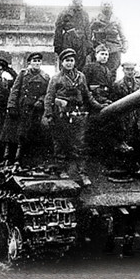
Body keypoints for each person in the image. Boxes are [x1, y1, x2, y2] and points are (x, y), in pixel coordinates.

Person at [43, 48, 101, 184]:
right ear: (62, 63)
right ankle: (62, 170)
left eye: (71, 61)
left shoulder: (81, 76)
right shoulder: (56, 78)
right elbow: (49, 97)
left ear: (74, 62)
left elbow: (87, 95)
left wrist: (99, 105)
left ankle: (82, 173)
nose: (69, 63)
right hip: (62, 114)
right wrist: (49, 114)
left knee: (80, 144)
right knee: (61, 144)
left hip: (78, 114)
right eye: (66, 61)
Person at [0, 52, 50, 165]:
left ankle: (22, 160)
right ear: (30, 62)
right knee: (11, 133)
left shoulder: (45, 77)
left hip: (34, 110)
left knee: (27, 135)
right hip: (20, 107)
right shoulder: (23, 74)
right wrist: (11, 105)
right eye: (34, 61)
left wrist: (41, 101)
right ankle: (8, 158)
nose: (37, 63)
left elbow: (47, 92)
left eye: (38, 61)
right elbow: (15, 90)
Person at [54, 0, 93, 71]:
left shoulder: (84, 14)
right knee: (67, 62)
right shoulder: (64, 12)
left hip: (81, 43)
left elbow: (88, 31)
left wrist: (89, 44)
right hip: (68, 41)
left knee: (81, 66)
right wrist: (58, 45)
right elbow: (58, 30)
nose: (78, 0)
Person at [90, 0, 127, 77]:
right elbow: (89, 32)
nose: (107, 6)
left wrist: (125, 46)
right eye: (104, 4)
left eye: (108, 4)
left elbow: (122, 35)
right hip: (99, 47)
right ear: (101, 6)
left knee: (112, 70)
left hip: (114, 48)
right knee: (98, 70)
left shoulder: (116, 20)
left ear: (112, 6)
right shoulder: (95, 19)